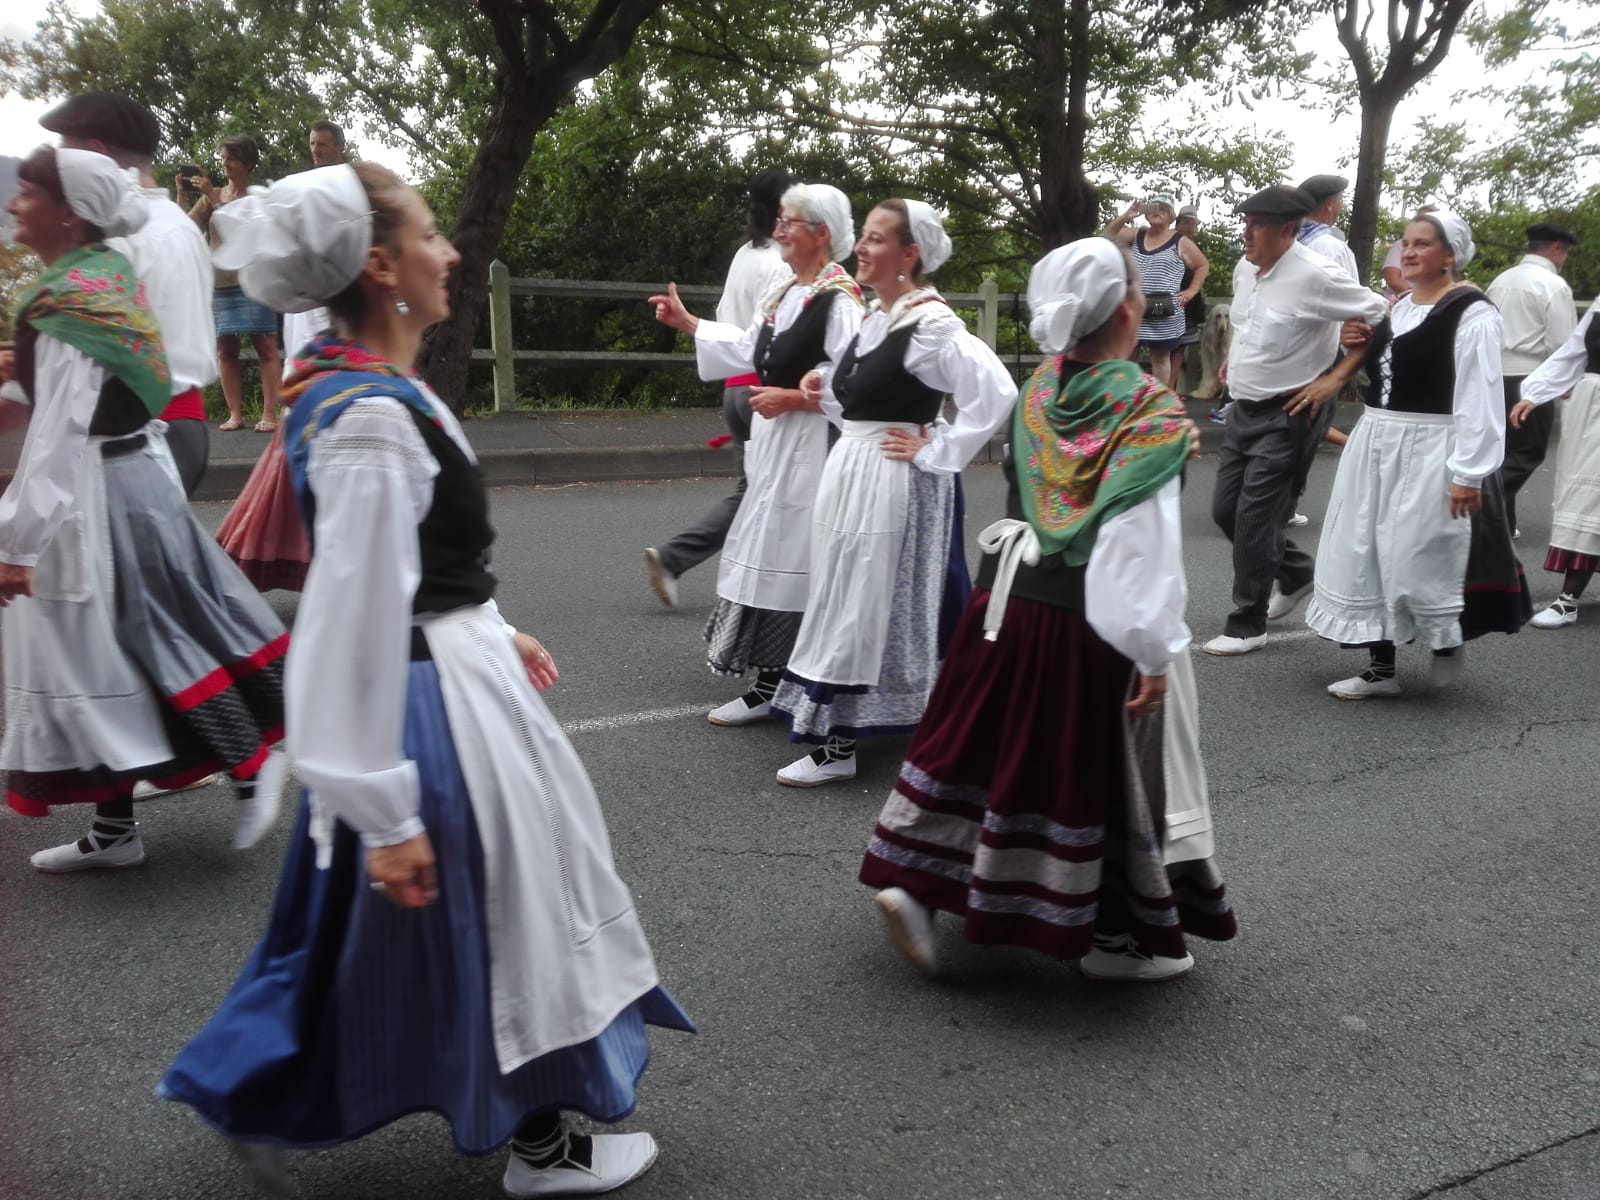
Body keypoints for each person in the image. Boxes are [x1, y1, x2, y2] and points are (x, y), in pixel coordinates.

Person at [159, 162, 693, 1198]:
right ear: (378, 263)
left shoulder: (368, 389)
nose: (448, 253)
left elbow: (412, 570)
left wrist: (492, 623)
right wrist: (381, 802)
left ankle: (259, 1088)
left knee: (378, 924)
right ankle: (540, 1145)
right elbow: (349, 619)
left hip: (439, 675)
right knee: (503, 912)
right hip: (424, 709)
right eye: (430, 235)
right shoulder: (367, 412)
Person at [859, 236, 1235, 982]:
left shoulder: (1042, 386)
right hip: (1082, 617)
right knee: (1081, 772)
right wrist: (1153, 651)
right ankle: (1110, 937)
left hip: (1001, 604)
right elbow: (1137, 547)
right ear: (1128, 310)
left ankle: (916, 884)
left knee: (976, 746)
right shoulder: (1149, 409)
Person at [0, 146, 286, 870]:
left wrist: (16, 544)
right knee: (109, 652)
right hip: (119, 477)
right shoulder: (97, 277)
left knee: (135, 640)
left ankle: (247, 759)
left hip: (98, 492)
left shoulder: (71, 300)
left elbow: (60, 425)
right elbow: (60, 396)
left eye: (28, 192)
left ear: (70, 213)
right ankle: (117, 828)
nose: (14, 204)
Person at [765, 199, 1015, 787]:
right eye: (865, 236)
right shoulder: (879, 316)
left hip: (891, 480)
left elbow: (996, 392)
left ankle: (842, 742)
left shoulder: (931, 325)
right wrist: (824, 385)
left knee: (868, 601)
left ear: (910, 254)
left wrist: (936, 449)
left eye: (877, 239)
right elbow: (862, 398)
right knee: (843, 594)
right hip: (854, 469)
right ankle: (853, 727)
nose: (862, 247)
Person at [649, 183, 865, 723]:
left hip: (816, 448)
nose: (778, 229)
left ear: (822, 233)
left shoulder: (840, 301)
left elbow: (856, 382)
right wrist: (689, 323)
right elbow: (750, 347)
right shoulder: (787, 292)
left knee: (800, 563)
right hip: (778, 445)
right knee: (771, 556)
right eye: (780, 220)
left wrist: (796, 398)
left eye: (789, 222)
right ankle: (770, 684)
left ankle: (804, 690)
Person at [1306, 209, 1530, 697]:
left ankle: (1446, 637)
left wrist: (1468, 474)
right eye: (1405, 243)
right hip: (1376, 440)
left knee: (1418, 554)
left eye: (1422, 244)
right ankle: (1380, 670)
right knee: (1365, 550)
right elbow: (1386, 364)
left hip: (1432, 445)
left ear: (1450, 255)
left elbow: (1480, 399)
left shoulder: (1473, 313)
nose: (1407, 252)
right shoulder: (1401, 307)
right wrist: (1354, 343)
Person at [1203, 185, 1388, 657]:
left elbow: (1381, 315)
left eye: (1258, 225)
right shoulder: (1246, 268)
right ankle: (1295, 571)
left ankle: (1248, 621)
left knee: (1255, 517)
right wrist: (1233, 365)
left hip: (1292, 411)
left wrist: (1336, 377)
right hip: (1244, 408)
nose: (1246, 234)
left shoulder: (1316, 275)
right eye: (1245, 223)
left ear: (1287, 229)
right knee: (1226, 511)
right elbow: (1248, 327)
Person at [38, 92, 218, 498]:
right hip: (186, 425)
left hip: (132, 436)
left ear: (95, 152)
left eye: (64, 148)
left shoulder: (116, 237)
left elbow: (80, 356)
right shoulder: (182, 226)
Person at [645, 168, 792, 607]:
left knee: (756, 492)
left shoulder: (746, 254)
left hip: (734, 389)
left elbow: (729, 322)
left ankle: (681, 560)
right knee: (778, 493)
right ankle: (762, 587)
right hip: (767, 392)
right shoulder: (781, 264)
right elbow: (769, 340)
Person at [1510, 306, 1600, 630]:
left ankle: (1568, 599)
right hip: (1591, 409)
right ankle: (1568, 601)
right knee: (1585, 498)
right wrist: (1535, 394)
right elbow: (1574, 351)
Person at [1487, 222, 1579, 536]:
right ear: (1556, 248)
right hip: (1531, 378)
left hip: (1495, 375)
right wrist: (1564, 381)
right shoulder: (1553, 285)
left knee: (1502, 451)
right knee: (1527, 453)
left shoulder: (1501, 280)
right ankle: (1483, 505)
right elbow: (1561, 343)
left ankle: (1503, 523)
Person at [188, 134, 283, 432]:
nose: (225, 163)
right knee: (225, 350)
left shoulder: (258, 198)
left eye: (232, 158)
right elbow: (186, 227)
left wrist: (214, 199)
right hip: (220, 283)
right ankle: (235, 414)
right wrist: (183, 194)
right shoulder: (211, 194)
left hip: (254, 280)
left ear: (248, 163)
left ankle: (269, 414)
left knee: (265, 347)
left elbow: (243, 231)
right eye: (223, 158)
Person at [1105, 194, 1208, 390]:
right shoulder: (1136, 234)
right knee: (1127, 354)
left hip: (1164, 309)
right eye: (1153, 208)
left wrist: (1191, 291)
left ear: (1171, 217)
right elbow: (1107, 238)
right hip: (1134, 307)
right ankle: (1125, 395)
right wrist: (1126, 216)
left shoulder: (1180, 241)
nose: (1157, 212)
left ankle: (1157, 399)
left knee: (1160, 358)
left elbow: (1202, 265)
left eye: (1163, 209)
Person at [1297, 174, 1361, 283]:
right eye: (1340, 200)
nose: (1342, 206)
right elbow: (1350, 292)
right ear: (1329, 205)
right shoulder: (1336, 250)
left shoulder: (1285, 244)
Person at [1172, 204, 1207, 392]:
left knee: (1179, 349)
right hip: (1167, 303)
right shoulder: (1168, 244)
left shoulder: (1198, 248)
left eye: (1193, 224)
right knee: (1162, 349)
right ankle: (1157, 390)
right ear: (1178, 224)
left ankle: (1170, 388)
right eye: (1186, 223)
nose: (1190, 227)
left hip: (1189, 305)